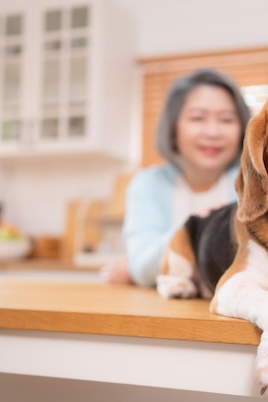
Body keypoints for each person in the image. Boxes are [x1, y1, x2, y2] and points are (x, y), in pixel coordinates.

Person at [102, 68, 250, 286]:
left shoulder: (254, 182)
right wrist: (193, 228)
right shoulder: (148, 184)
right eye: (197, 118)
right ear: (173, 130)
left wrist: (141, 269)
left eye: (226, 120)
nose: (212, 132)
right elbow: (142, 269)